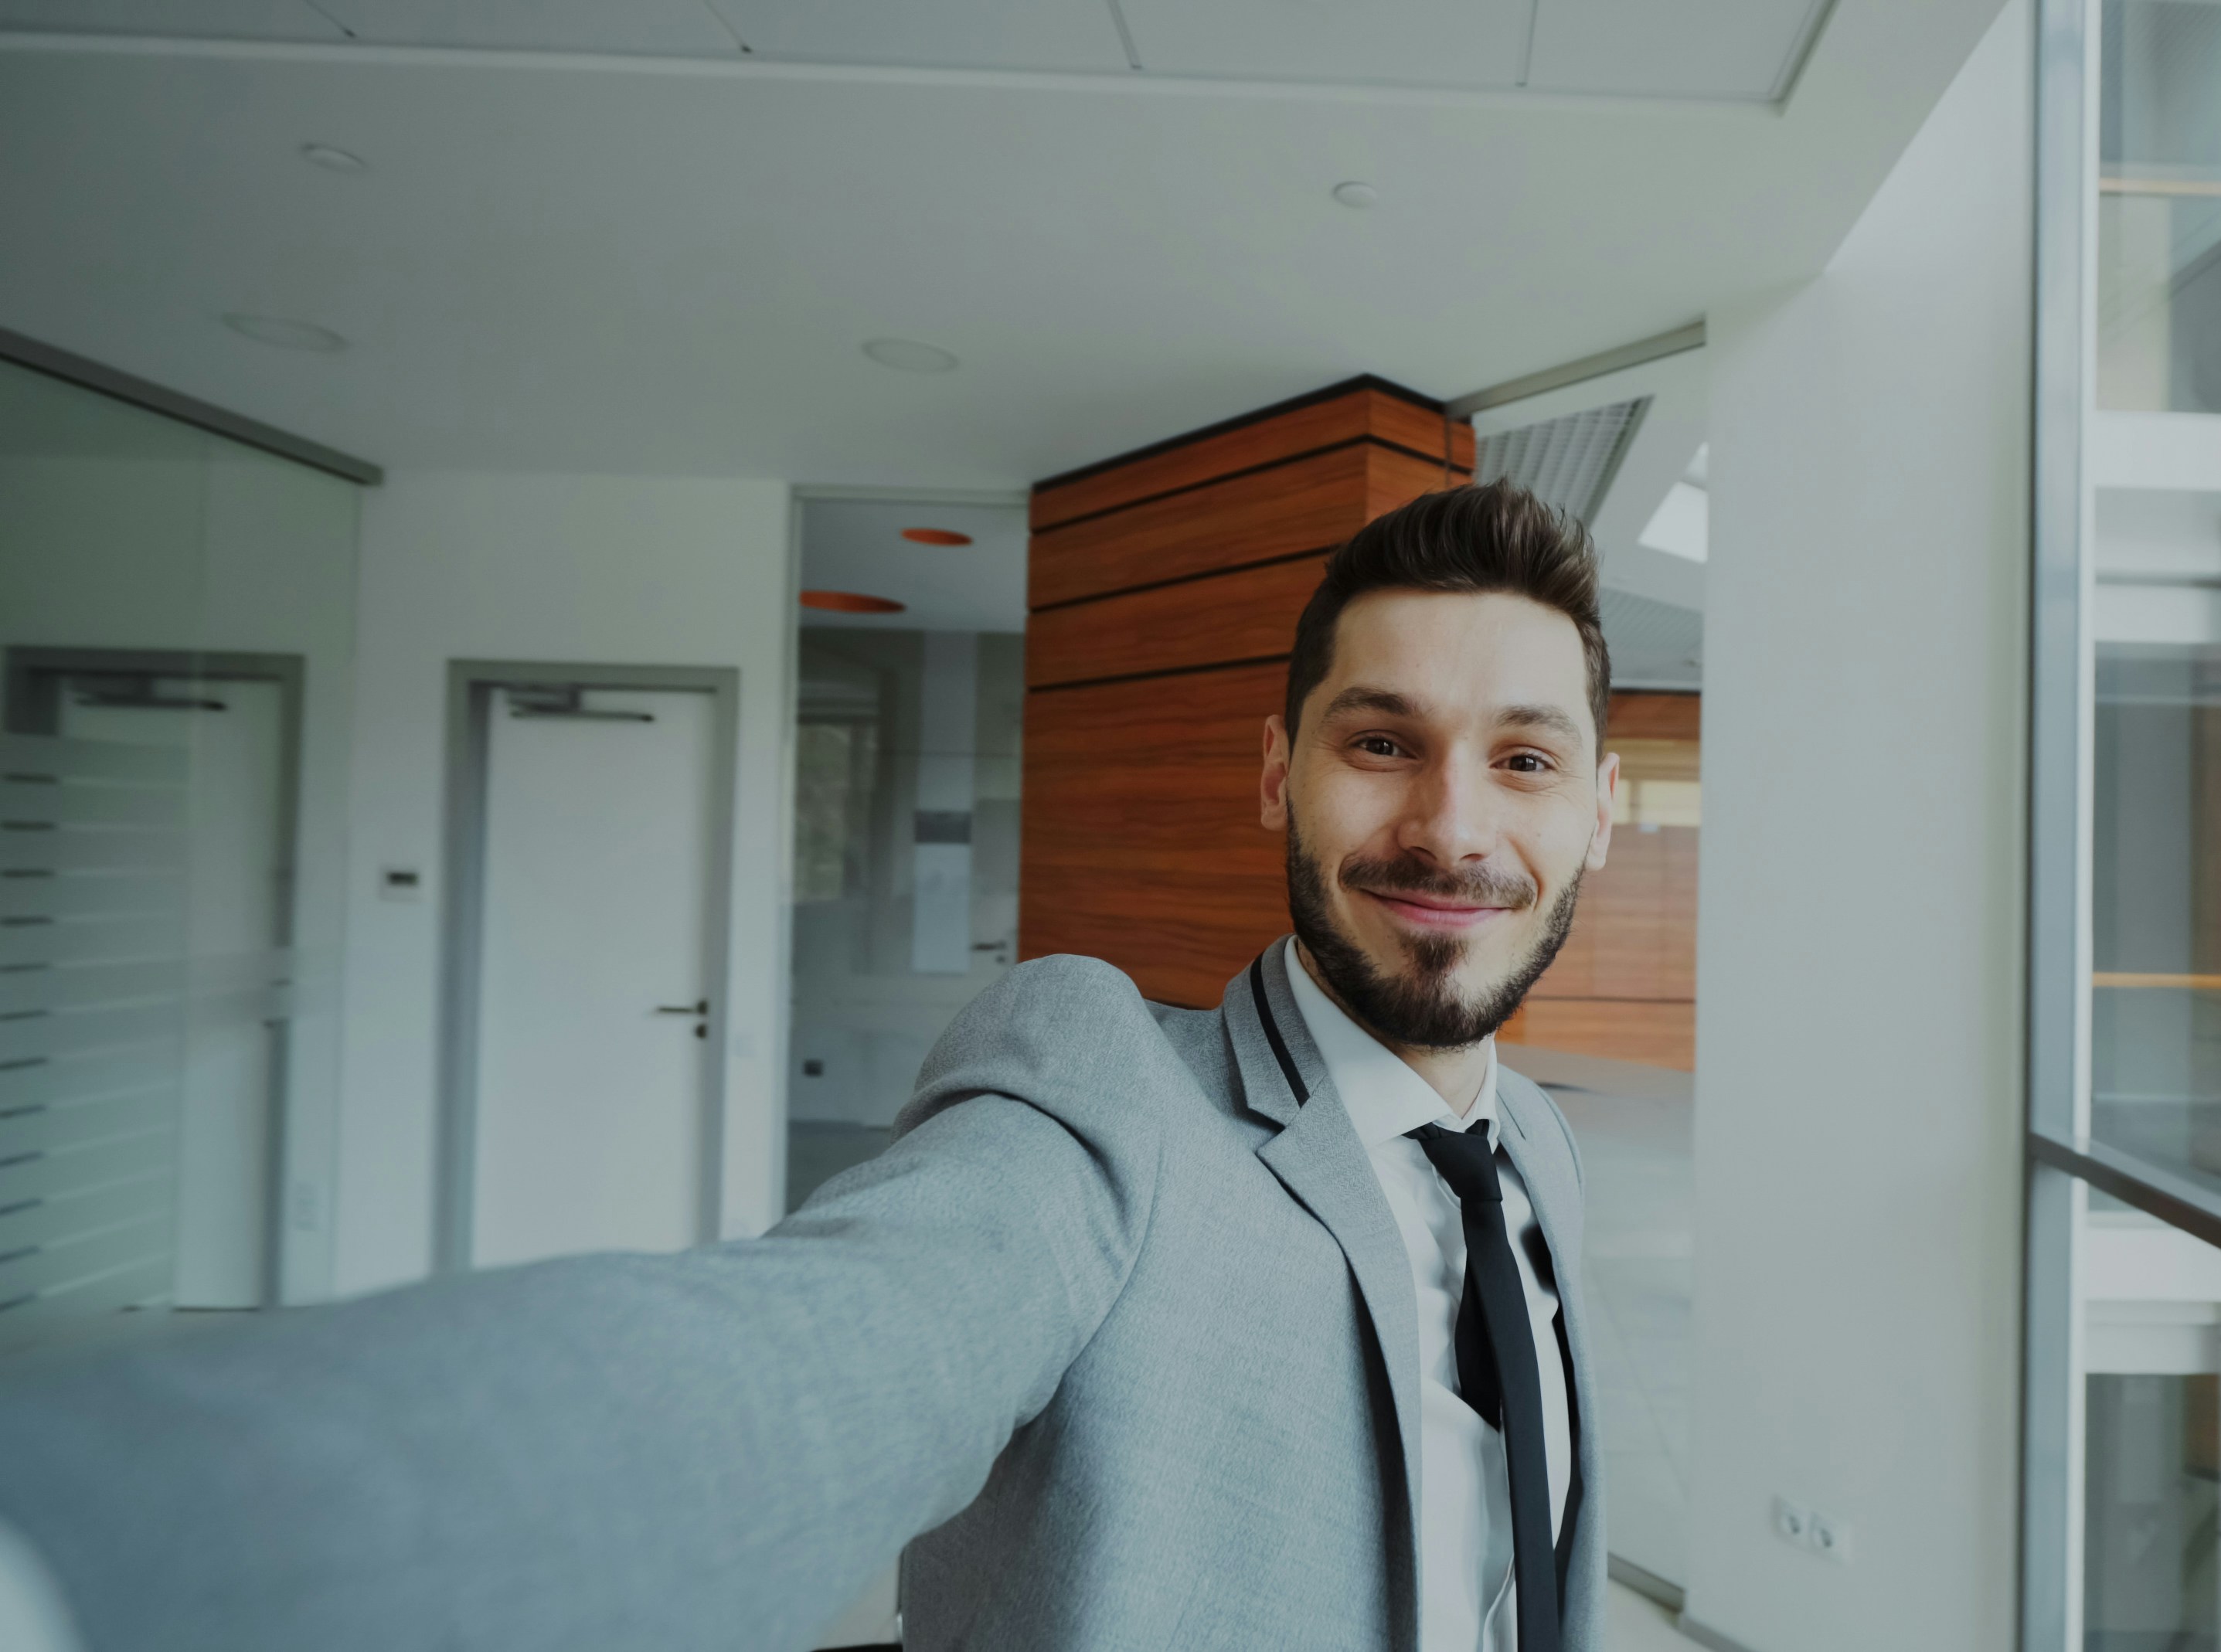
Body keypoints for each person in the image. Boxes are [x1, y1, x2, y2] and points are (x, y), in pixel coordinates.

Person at [0, 481, 1623, 1652]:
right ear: (1280, 775)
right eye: (1380, 739)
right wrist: (95, 1565)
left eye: (1525, 760)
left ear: (1598, 811)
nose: (1453, 827)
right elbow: (819, 1357)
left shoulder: (1535, 1149)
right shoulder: (1108, 1094)